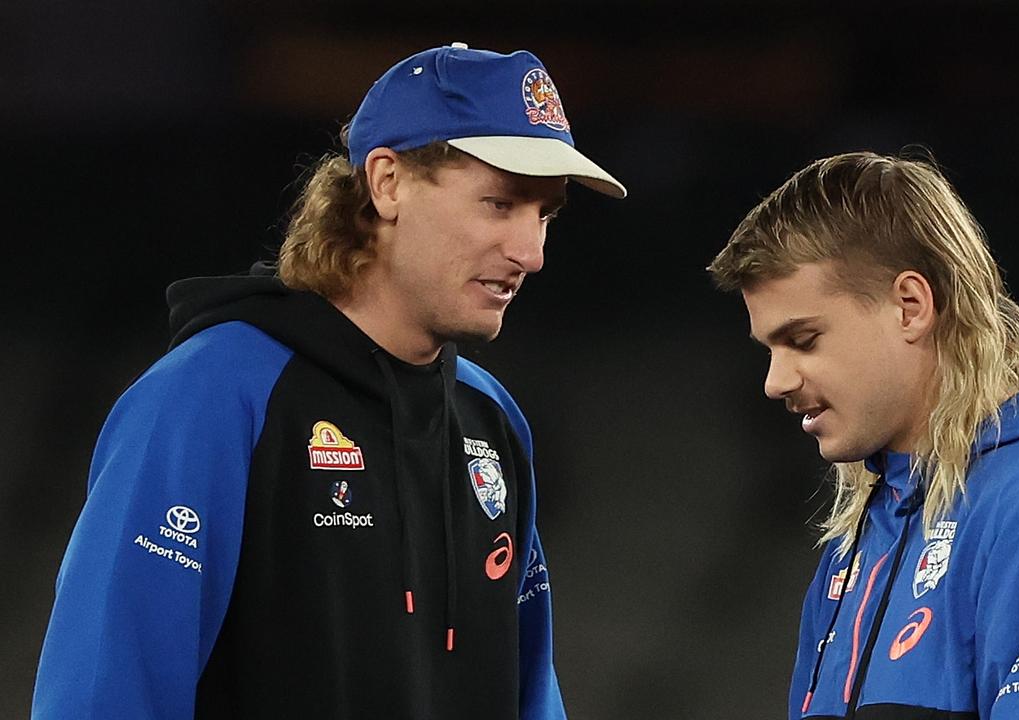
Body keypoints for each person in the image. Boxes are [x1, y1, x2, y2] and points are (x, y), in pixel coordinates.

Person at [33, 42, 625, 719]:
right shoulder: (214, 395)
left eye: (545, 214)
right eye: (500, 204)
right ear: (388, 182)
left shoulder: (490, 421)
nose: (532, 252)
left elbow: (530, 697)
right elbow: (104, 692)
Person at [707, 151, 1019, 719]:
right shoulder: (859, 541)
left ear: (910, 306)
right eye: (769, 350)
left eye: (804, 340)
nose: (774, 382)